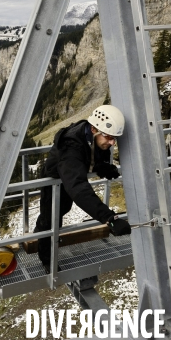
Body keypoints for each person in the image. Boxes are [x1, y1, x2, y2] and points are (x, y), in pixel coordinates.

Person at [33, 105, 132, 266]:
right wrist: (109, 218)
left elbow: (92, 154)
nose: (112, 142)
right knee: (50, 219)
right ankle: (47, 260)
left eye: (115, 138)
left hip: (71, 174)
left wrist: (102, 166)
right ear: (94, 129)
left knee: (64, 208)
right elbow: (78, 188)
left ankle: (42, 233)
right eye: (108, 137)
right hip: (55, 180)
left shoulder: (94, 137)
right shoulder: (71, 146)